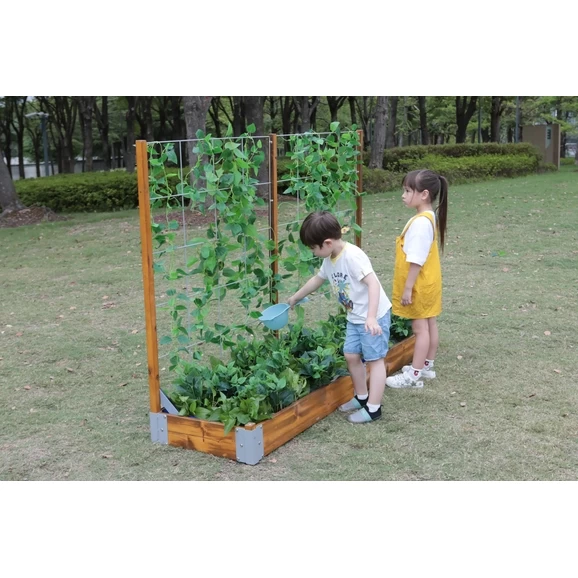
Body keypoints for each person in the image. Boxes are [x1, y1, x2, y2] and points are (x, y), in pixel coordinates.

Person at [287, 211, 392, 423]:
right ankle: (362, 397)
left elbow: (373, 284)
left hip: (372, 317)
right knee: (351, 355)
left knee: (375, 360)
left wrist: (371, 317)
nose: (312, 252)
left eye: (313, 248)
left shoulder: (352, 257)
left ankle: (374, 408)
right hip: (355, 317)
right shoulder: (330, 259)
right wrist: (296, 297)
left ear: (327, 243)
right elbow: (317, 280)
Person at [385, 169, 448, 389]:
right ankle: (427, 365)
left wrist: (407, 288)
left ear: (424, 194)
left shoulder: (421, 223)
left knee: (420, 329)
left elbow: (416, 260)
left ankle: (414, 375)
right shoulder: (428, 216)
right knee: (430, 324)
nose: (403, 195)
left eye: (407, 190)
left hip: (419, 284)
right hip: (429, 282)